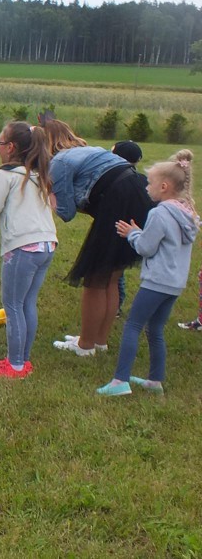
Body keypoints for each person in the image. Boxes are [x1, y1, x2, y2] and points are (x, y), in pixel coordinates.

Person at [43, 120, 153, 356]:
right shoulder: (90, 150)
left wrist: (48, 196)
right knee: (111, 277)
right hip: (137, 193)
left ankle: (85, 346)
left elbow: (66, 212)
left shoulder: (59, 162)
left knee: (94, 279)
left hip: (117, 200)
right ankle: (98, 340)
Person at [97, 150, 199, 396]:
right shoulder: (187, 213)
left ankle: (119, 381)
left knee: (132, 325)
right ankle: (155, 380)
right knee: (155, 329)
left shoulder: (160, 213)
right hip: (175, 284)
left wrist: (132, 233)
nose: (146, 188)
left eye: (150, 183)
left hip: (156, 281)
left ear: (164, 186)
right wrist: (139, 232)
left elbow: (146, 248)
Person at [0, 122, 57, 379]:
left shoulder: (5, 175)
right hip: (46, 244)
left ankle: (14, 366)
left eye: (0, 142)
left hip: (23, 247)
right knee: (27, 303)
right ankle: (24, 360)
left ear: (10, 147)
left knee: (12, 305)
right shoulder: (38, 172)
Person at [110, 140, 151, 315]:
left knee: (113, 273)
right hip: (134, 230)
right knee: (118, 271)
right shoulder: (142, 179)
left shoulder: (117, 180)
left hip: (120, 229)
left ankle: (116, 305)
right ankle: (117, 304)